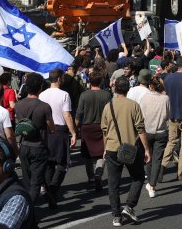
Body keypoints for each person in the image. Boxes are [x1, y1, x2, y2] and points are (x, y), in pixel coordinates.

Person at [100, 77, 150, 227]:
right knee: (138, 177)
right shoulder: (134, 105)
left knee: (113, 183)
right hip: (130, 148)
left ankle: (116, 215)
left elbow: (105, 130)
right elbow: (140, 129)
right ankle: (129, 206)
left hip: (112, 148)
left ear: (115, 89)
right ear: (128, 89)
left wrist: (104, 148)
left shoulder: (108, 106)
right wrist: (147, 149)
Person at [14, 73, 54, 204]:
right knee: (35, 183)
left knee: (27, 180)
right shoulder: (44, 106)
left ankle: (49, 200)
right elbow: (51, 127)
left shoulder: (18, 105)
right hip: (39, 146)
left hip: (24, 145)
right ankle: (28, 212)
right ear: (40, 87)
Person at [39, 68, 78, 203]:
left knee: (49, 162)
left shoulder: (42, 95)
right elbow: (67, 115)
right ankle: (53, 189)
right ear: (60, 79)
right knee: (62, 163)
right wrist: (73, 132)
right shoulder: (64, 95)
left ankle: (50, 190)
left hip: (46, 130)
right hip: (60, 129)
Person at [75, 68, 110, 194]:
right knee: (102, 153)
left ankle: (90, 176)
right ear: (100, 81)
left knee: (87, 154)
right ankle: (98, 173)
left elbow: (79, 113)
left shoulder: (84, 95)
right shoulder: (106, 94)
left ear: (90, 81)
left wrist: (75, 129)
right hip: (102, 126)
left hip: (87, 127)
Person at [140, 76, 169, 198]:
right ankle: (152, 185)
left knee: (148, 157)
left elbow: (140, 114)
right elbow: (168, 115)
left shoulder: (145, 97)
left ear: (150, 86)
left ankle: (150, 183)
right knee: (157, 159)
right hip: (161, 131)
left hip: (147, 131)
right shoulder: (165, 98)